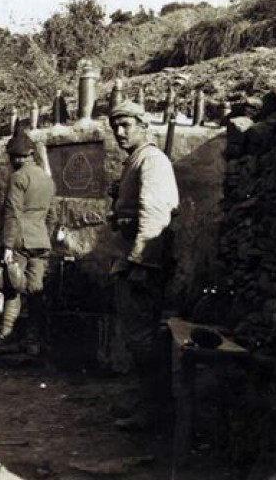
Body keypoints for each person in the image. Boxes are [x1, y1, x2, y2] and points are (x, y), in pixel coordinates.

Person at [107, 100, 179, 430]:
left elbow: (155, 213)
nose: (119, 132)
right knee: (138, 339)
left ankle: (155, 413)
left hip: (143, 264)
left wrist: (139, 262)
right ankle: (149, 406)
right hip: (132, 260)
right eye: (115, 127)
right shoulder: (134, 161)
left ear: (143, 125)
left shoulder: (152, 160)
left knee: (143, 339)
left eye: (126, 125)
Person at [0, 133, 55, 357]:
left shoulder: (18, 178)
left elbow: (12, 212)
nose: (11, 161)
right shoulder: (47, 179)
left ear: (18, 157)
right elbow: (52, 215)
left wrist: (7, 245)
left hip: (19, 240)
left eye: (13, 157)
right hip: (40, 239)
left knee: (11, 289)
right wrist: (45, 236)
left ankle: (4, 339)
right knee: (36, 291)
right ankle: (33, 342)